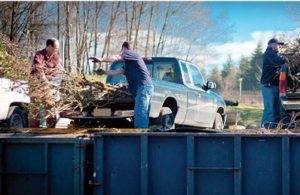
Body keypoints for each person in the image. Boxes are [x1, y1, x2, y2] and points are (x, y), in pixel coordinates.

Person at [90, 41, 154, 128]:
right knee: (143, 112)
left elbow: (116, 57)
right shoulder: (129, 64)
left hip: (143, 86)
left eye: (122, 51)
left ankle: (141, 135)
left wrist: (102, 59)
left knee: (140, 112)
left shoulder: (130, 54)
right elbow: (116, 72)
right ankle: (144, 135)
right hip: (145, 87)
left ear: (124, 48)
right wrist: (104, 72)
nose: (121, 52)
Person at [29, 38, 62, 128]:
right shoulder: (39, 55)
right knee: (35, 109)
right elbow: (38, 69)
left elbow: (57, 70)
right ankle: (33, 131)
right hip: (36, 84)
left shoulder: (56, 56)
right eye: (55, 48)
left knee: (50, 106)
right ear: (49, 46)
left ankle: (50, 129)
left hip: (48, 85)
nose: (56, 50)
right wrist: (44, 80)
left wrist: (52, 81)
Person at [260, 38, 286, 129]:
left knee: (276, 111)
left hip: (275, 86)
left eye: (280, 45)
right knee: (269, 110)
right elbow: (279, 61)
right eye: (277, 44)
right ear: (270, 45)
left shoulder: (275, 55)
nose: (279, 46)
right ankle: (264, 129)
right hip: (268, 86)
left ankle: (273, 130)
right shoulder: (268, 54)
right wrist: (287, 58)